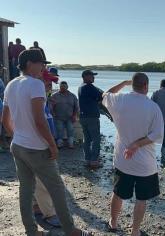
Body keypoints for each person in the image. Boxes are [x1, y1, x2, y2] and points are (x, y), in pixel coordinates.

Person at [2, 49, 92, 236]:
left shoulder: (11, 84)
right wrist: (52, 144)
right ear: (29, 64)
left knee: (26, 190)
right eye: (41, 63)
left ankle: (32, 232)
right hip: (36, 148)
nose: (44, 66)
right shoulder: (35, 84)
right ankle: (71, 231)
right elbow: (39, 119)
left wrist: (16, 136)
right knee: (57, 189)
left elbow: (5, 119)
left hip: (18, 146)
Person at [102, 72, 163, 236]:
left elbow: (105, 94)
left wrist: (123, 83)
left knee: (118, 193)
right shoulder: (153, 107)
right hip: (145, 164)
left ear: (132, 84)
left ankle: (113, 223)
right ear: (146, 86)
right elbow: (157, 135)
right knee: (141, 199)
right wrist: (137, 144)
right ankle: (135, 231)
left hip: (123, 160)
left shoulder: (119, 100)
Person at [32, 69, 61, 228]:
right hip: (41, 146)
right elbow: (40, 123)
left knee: (35, 180)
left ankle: (36, 207)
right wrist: (51, 145)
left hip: (38, 145)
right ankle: (49, 214)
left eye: (51, 83)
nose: (50, 85)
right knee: (46, 182)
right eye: (47, 82)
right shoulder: (37, 100)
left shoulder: (43, 100)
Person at [78, 70, 103, 169]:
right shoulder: (89, 87)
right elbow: (102, 96)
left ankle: (87, 160)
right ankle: (94, 161)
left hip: (83, 117)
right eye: (92, 76)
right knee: (96, 139)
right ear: (86, 76)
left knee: (87, 139)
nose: (94, 78)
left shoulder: (81, 87)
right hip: (92, 117)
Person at [51, 81, 79, 148]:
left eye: (64, 87)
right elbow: (51, 106)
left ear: (67, 87)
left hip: (70, 117)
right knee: (59, 130)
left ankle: (71, 143)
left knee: (70, 130)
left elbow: (76, 107)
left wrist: (74, 115)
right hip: (58, 117)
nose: (63, 88)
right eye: (61, 87)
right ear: (59, 87)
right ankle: (59, 143)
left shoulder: (73, 96)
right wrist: (53, 113)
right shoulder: (54, 95)